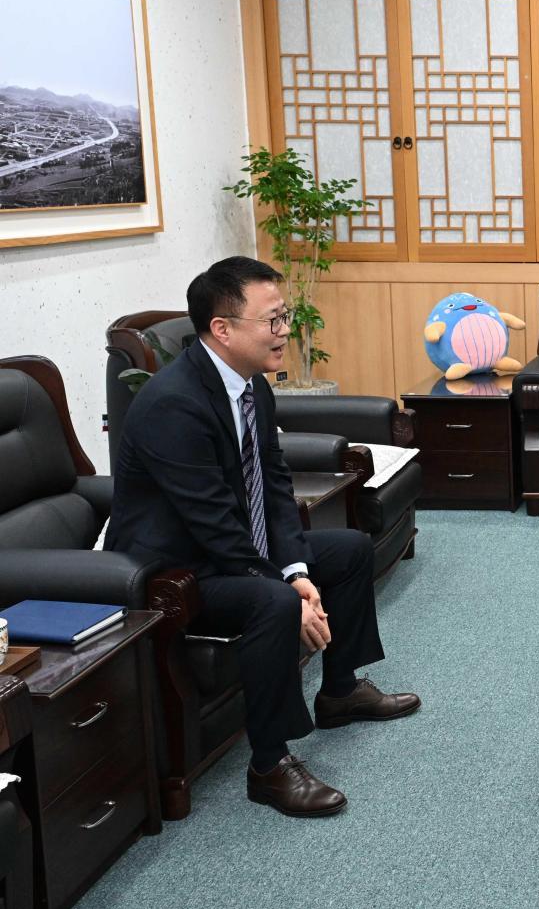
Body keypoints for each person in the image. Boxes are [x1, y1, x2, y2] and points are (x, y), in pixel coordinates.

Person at [106, 256, 420, 817]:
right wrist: (284, 586)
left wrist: (296, 569)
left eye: (284, 316)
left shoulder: (252, 385)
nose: (284, 331)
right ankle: (269, 766)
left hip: (228, 546)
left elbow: (273, 485)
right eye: (272, 320)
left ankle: (340, 691)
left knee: (346, 550)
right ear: (222, 329)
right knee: (273, 600)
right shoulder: (173, 404)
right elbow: (211, 522)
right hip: (176, 570)